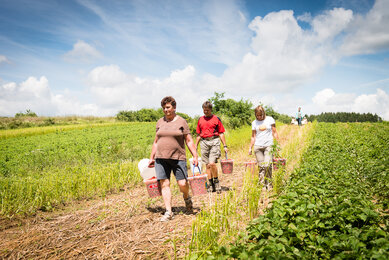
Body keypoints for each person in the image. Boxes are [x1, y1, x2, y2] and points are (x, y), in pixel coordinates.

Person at [148, 96, 199, 222]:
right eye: (163, 108)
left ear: (174, 107)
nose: (166, 110)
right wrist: (151, 157)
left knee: (182, 183)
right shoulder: (160, 122)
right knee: (164, 184)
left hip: (178, 157)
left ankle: (186, 197)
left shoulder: (182, 122)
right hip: (161, 158)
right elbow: (156, 141)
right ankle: (169, 212)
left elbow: (189, 140)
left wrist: (195, 155)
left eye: (168, 107)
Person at [195, 101, 228, 193]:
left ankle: (216, 181)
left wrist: (225, 145)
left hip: (214, 141)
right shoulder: (200, 119)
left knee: (212, 163)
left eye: (207, 110)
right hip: (204, 142)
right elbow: (198, 134)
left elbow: (221, 133)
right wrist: (195, 146)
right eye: (204, 110)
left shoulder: (216, 119)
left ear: (211, 109)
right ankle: (210, 184)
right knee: (207, 165)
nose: (205, 112)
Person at [248, 105, 279, 190]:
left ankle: (269, 184)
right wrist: (250, 147)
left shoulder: (270, 119)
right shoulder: (254, 123)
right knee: (261, 166)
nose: (259, 117)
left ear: (264, 113)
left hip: (268, 145)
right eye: (257, 115)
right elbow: (253, 136)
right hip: (258, 147)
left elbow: (274, 132)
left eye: (261, 115)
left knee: (268, 164)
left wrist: (277, 144)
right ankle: (262, 184)